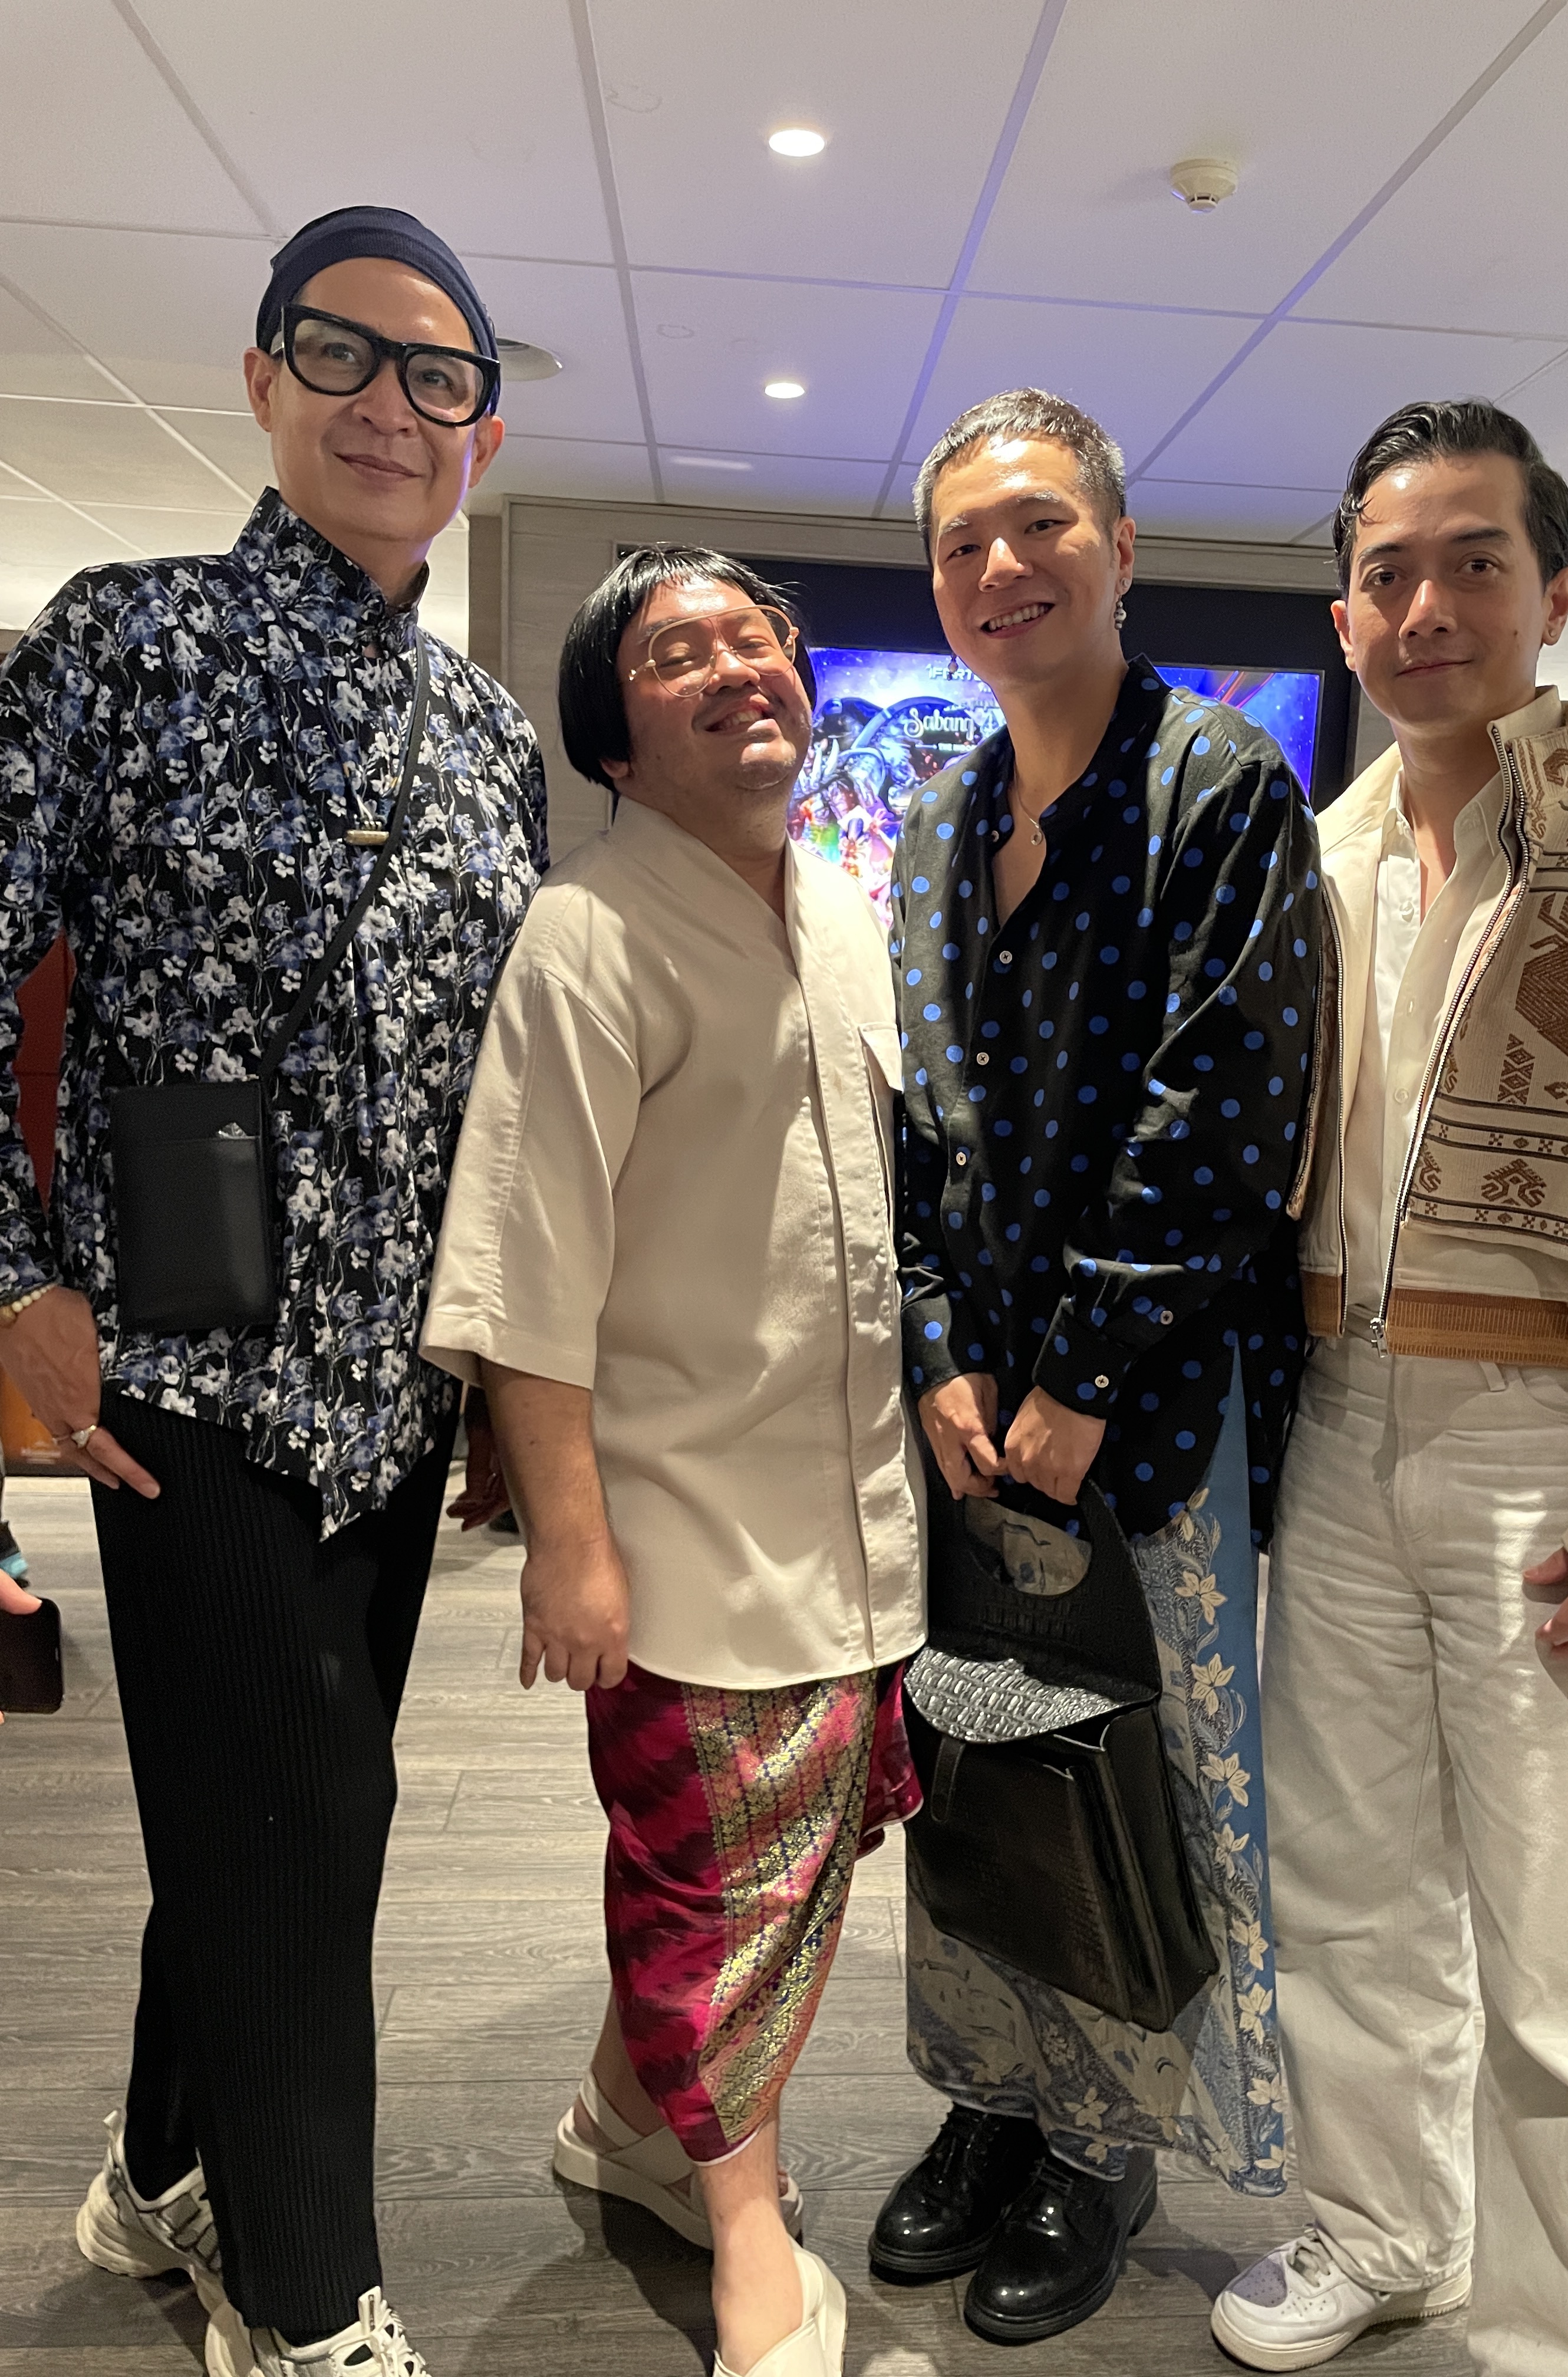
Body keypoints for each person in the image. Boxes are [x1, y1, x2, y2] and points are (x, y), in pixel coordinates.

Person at [0, 206, 546, 2377]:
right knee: (311, 1840)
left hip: (394, 1398)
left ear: (480, 434)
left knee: (264, 1817)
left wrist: (501, 1378)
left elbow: (500, 1094)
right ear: (260, 380)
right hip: (185, 1377)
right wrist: (17, 1275)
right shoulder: (120, 644)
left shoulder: (490, 742)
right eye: (342, 353)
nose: (389, 406)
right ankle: (313, 2307)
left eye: (438, 376)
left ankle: (157, 2178)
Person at [1210, 399, 1568, 2377]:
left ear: (1555, 591)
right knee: (1348, 1887)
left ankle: (1553, 2333)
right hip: (1335, 1427)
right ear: (1344, 616)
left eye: (1475, 563)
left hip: (1561, 1442)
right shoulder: (1311, 861)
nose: (1428, 606)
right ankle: (1383, 2231)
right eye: (1388, 572)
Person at [421, 546, 925, 2377]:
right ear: (614, 741)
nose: (733, 667)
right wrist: (571, 1545)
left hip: (859, 1512)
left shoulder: (846, 907)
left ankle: (625, 2122)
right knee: (717, 1900)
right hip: (682, 1521)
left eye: (752, 637)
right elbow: (527, 1266)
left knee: (791, 1870)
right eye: (674, 653)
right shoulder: (587, 937)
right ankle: (746, 2233)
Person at [872, 389, 1322, 2345]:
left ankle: (1104, 2140)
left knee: (1135, 1776)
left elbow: (1220, 1112)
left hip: (1147, 1408)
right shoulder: (936, 820)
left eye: (1040, 524)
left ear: (1122, 551)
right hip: (975, 1414)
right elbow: (921, 1123)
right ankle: (991, 2095)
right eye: (962, 541)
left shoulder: (1220, 790)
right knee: (979, 1752)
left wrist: (1076, 1376)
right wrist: (946, 1356)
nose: (1000, 566)